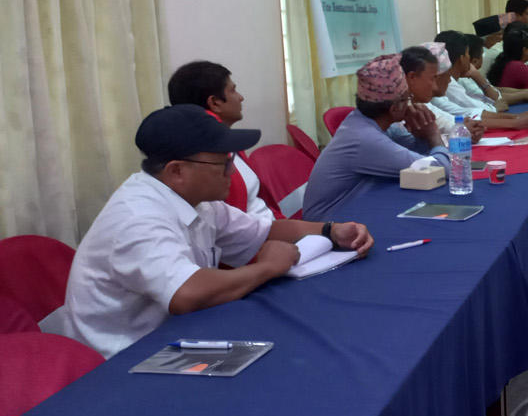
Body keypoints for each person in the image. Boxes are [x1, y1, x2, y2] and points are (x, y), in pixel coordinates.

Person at [39, 105, 374, 358]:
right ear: (177, 171)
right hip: (125, 361)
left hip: (178, 338)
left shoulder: (195, 200)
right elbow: (186, 294)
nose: (232, 171)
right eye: (222, 163)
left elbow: (266, 230)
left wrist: (332, 230)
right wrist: (267, 268)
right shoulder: (137, 217)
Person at [303, 55, 482, 221]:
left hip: (359, 209)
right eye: (407, 98)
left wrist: (421, 135)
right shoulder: (365, 139)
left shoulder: (369, 121)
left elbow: (416, 155)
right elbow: (443, 170)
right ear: (394, 109)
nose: (411, 104)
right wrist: (433, 134)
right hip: (330, 223)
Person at [166, 61, 274, 222]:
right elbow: (230, 228)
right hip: (257, 234)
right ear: (215, 102)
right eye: (233, 90)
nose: (241, 97)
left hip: (269, 228)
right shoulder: (206, 161)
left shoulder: (230, 143)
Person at [415, 43, 528, 133]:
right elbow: (457, 120)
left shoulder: (427, 100)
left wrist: (515, 119)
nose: (449, 80)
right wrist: (514, 121)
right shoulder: (416, 103)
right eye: (444, 75)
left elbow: (453, 119)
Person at [434, 31, 528, 109]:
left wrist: (525, 91)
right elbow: (493, 100)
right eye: (467, 54)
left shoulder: (459, 77)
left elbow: (493, 89)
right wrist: (524, 94)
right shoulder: (455, 81)